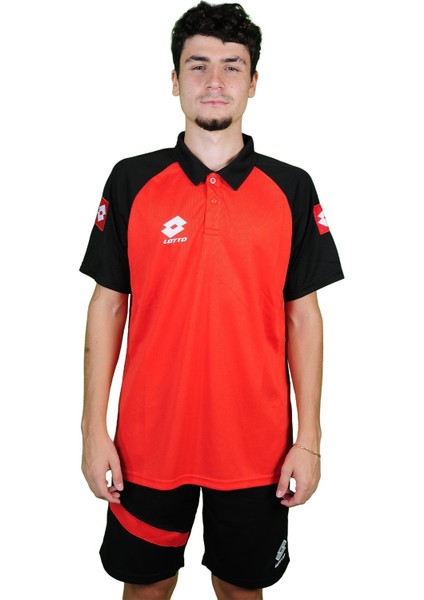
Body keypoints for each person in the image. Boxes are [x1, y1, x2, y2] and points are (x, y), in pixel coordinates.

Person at [80, 2, 344, 599]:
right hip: (148, 443)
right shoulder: (131, 181)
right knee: (145, 589)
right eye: (198, 66)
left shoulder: (291, 187)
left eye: (232, 66)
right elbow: (107, 305)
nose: (215, 80)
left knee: (240, 591)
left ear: (254, 81)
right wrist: (93, 429)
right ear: (175, 81)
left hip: (256, 447)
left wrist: (309, 440)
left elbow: (304, 318)